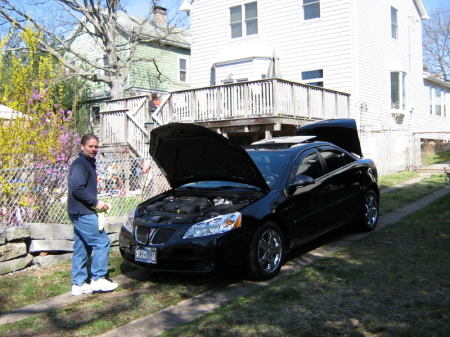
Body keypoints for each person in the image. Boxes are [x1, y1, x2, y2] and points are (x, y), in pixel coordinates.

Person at [67, 134, 118, 296]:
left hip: (80, 210)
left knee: (82, 246)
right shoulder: (81, 164)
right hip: (82, 212)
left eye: (96, 147)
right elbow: (78, 188)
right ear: (82, 146)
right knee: (102, 242)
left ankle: (79, 284)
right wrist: (96, 203)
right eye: (90, 146)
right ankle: (98, 279)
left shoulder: (87, 163)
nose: (94, 149)